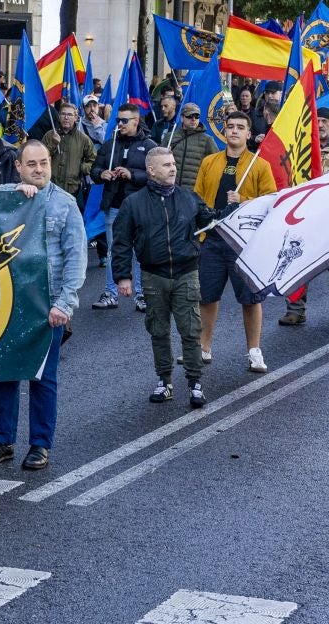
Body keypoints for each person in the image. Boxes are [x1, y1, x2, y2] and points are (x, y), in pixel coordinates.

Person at [0, 139, 87, 472]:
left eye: (44, 163)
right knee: (5, 375)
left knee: (43, 379)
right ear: (19, 167)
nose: (39, 170)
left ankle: (40, 445)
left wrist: (64, 305)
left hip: (47, 307)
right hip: (8, 307)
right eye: (32, 164)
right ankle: (2, 441)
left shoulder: (65, 205)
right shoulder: (8, 196)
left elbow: (76, 260)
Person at [110, 147, 216, 408]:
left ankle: (195, 384)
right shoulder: (133, 204)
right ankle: (165, 381)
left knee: (190, 330)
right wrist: (123, 276)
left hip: (186, 273)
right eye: (166, 165)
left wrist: (230, 206)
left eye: (173, 164)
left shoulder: (188, 198)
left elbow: (211, 221)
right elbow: (121, 242)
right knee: (158, 330)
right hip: (153, 275)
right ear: (151, 170)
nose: (172, 168)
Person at [194, 112, 278, 373]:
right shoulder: (209, 162)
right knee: (207, 296)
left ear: (248, 134)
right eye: (230, 127)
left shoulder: (259, 166)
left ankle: (254, 351)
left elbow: (272, 202)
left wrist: (242, 199)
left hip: (244, 242)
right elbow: (197, 197)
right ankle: (203, 347)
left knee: (250, 298)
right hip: (213, 238)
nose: (234, 131)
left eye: (240, 127)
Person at [279, 108, 329, 332]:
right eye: (317, 121)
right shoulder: (301, 147)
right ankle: (295, 310)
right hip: (302, 216)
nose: (320, 125)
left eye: (325, 121)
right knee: (296, 264)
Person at [90, 105, 154, 308]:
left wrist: (132, 175)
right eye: (118, 120)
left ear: (136, 121)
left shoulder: (150, 145)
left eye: (124, 121)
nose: (120, 124)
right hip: (114, 206)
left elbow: (156, 174)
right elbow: (94, 169)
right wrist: (102, 174)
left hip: (140, 207)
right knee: (112, 250)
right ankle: (110, 293)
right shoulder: (110, 144)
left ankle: (141, 294)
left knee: (138, 250)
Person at [41, 101, 96, 199]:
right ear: (59, 116)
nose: (66, 117)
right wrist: (53, 144)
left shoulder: (83, 139)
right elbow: (40, 159)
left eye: (70, 115)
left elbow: (94, 160)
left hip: (72, 190)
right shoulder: (49, 135)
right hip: (50, 188)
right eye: (63, 114)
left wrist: (83, 167)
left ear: (75, 117)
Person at [166, 103, 216, 192]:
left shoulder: (207, 140)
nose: (193, 119)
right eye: (190, 116)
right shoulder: (170, 137)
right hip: (169, 189)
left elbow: (215, 166)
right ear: (182, 118)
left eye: (196, 116)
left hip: (194, 193)